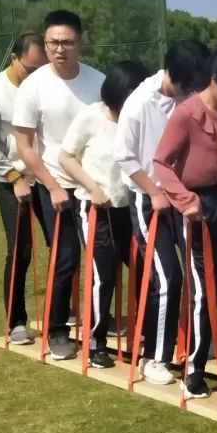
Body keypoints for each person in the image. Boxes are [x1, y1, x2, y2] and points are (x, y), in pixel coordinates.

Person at [153, 46, 217, 399]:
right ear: (215, 81)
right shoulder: (187, 113)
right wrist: (185, 199)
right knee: (206, 281)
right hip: (195, 205)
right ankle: (193, 369)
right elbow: (161, 162)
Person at [114, 41, 211, 386]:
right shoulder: (140, 101)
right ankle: (155, 357)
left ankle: (195, 347)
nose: (192, 90)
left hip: (181, 196)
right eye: (189, 83)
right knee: (168, 279)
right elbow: (124, 156)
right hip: (148, 198)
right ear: (176, 74)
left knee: (201, 274)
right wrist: (155, 192)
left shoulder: (191, 97)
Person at [13, 10, 106, 360]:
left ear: (80, 43)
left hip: (96, 186)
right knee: (65, 258)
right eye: (52, 43)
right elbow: (25, 145)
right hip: (56, 185)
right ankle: (57, 331)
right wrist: (51, 186)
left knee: (105, 258)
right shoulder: (33, 86)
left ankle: (100, 324)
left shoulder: (98, 82)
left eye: (67, 42)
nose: (59, 49)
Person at [58, 60, 148, 369]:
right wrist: (92, 187)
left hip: (130, 208)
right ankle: (95, 342)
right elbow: (66, 157)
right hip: (96, 208)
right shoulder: (91, 116)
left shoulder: (138, 119)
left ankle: (147, 334)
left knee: (145, 269)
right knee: (104, 275)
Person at [0, 32, 48, 345]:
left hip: (49, 178)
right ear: (14, 58)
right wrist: (15, 178)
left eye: (41, 69)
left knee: (65, 246)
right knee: (21, 250)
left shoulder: (47, 85)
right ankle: (15, 322)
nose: (36, 75)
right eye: (30, 69)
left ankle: (64, 313)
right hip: (12, 181)